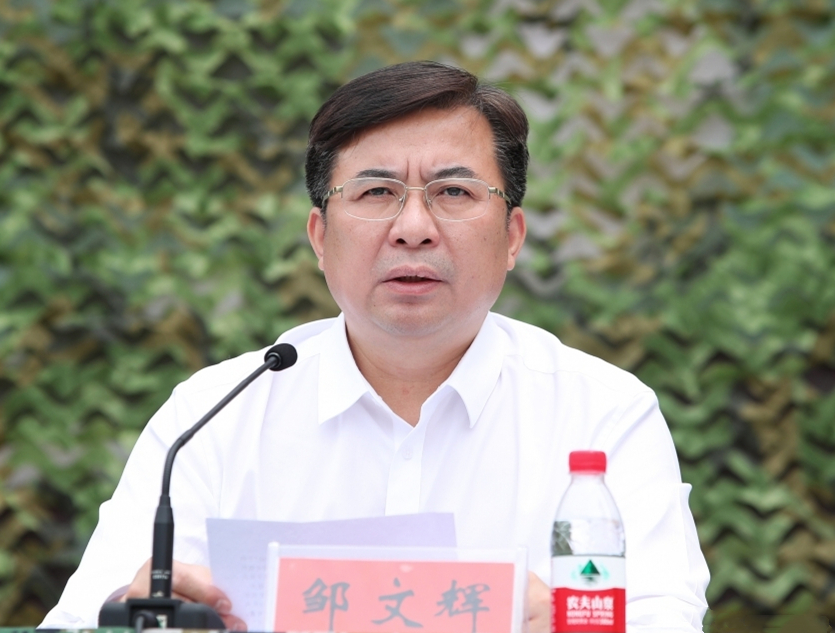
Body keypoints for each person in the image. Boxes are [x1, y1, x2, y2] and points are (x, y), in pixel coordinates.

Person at [41, 61, 709, 631]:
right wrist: (127, 613)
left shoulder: (602, 413)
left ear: (511, 237)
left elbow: (665, 617)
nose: (413, 227)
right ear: (319, 236)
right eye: (376, 191)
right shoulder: (215, 414)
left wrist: (562, 621)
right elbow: (80, 618)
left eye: (453, 191)